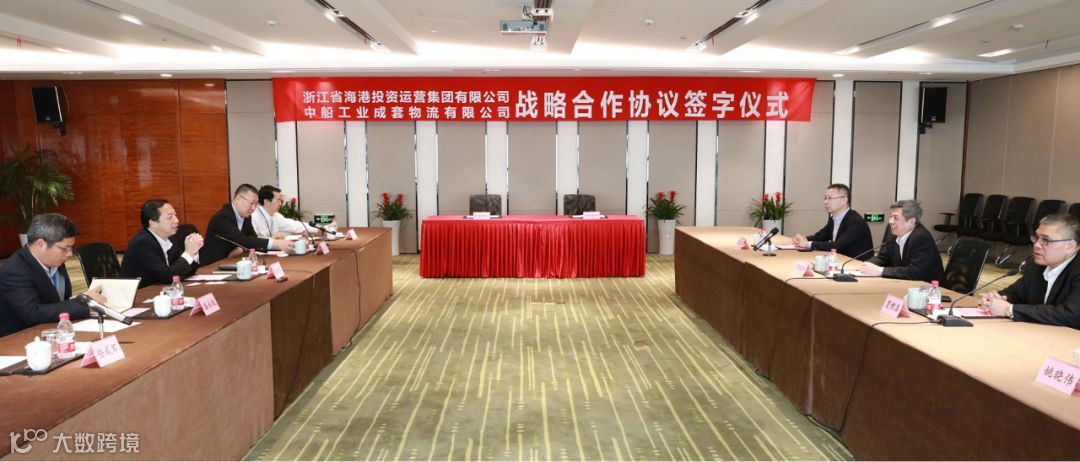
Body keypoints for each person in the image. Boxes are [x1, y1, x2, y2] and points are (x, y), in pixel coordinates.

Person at [0, 213, 108, 337]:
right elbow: (32, 314)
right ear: (41, 244)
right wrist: (83, 303)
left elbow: (59, 301)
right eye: (65, 248)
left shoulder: (54, 260)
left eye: (71, 248)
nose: (70, 254)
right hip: (21, 339)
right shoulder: (15, 270)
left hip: (55, 331)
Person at [979, 214, 1080, 328]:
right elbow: (1015, 293)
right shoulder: (1035, 265)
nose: (1036, 245)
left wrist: (1009, 310)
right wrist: (994, 300)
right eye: (1036, 238)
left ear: (1070, 246)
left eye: (1045, 240)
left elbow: (1072, 315)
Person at [119, 199, 204, 289]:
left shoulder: (170, 238)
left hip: (158, 290)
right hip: (140, 293)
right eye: (170, 217)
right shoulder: (142, 243)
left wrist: (193, 252)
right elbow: (168, 277)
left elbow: (182, 271)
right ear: (153, 223)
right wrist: (188, 253)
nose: (176, 220)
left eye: (175, 215)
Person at [200, 184, 292, 264]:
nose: (254, 208)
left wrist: (279, 245)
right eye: (251, 203)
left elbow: (253, 240)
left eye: (256, 204)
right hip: (211, 266)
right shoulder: (223, 217)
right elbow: (242, 240)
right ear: (238, 199)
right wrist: (276, 244)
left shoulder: (246, 217)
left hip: (231, 262)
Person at [859, 200, 945, 283]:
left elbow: (914, 272)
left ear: (911, 221)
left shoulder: (921, 237)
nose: (890, 221)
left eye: (895, 218)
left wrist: (880, 271)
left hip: (929, 288)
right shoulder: (892, 231)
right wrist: (866, 265)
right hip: (904, 283)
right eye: (891, 216)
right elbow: (884, 258)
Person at [792, 183, 874, 259]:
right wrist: (804, 238)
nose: (826, 202)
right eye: (825, 198)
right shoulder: (834, 218)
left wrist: (807, 244)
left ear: (844, 200)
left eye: (830, 198)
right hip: (840, 261)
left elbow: (837, 246)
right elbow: (820, 237)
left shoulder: (855, 221)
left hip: (857, 264)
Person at [252, 185, 320, 239]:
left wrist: (318, 229)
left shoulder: (276, 216)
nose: (280, 204)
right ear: (266, 201)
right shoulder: (253, 217)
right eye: (278, 200)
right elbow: (253, 241)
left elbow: (295, 226)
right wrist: (272, 239)